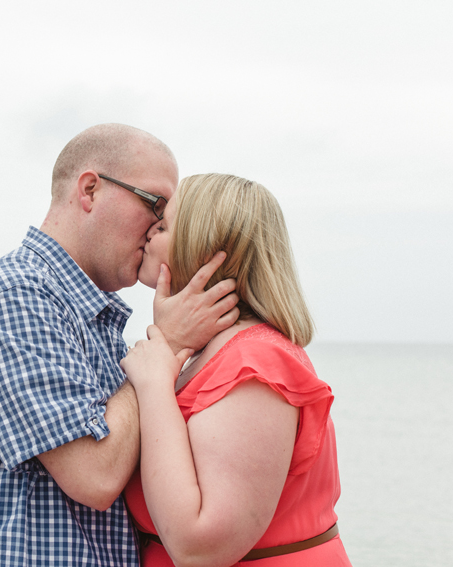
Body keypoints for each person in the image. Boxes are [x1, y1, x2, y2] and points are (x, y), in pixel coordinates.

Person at [0, 125, 239, 566]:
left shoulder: (83, 314)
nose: (160, 227)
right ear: (90, 190)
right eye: (156, 204)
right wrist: (167, 344)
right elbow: (95, 475)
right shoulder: (14, 298)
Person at [121, 173, 351, 566]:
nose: (147, 233)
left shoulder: (255, 364)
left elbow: (201, 547)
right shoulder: (208, 355)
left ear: (203, 245)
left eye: (162, 226)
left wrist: (156, 382)